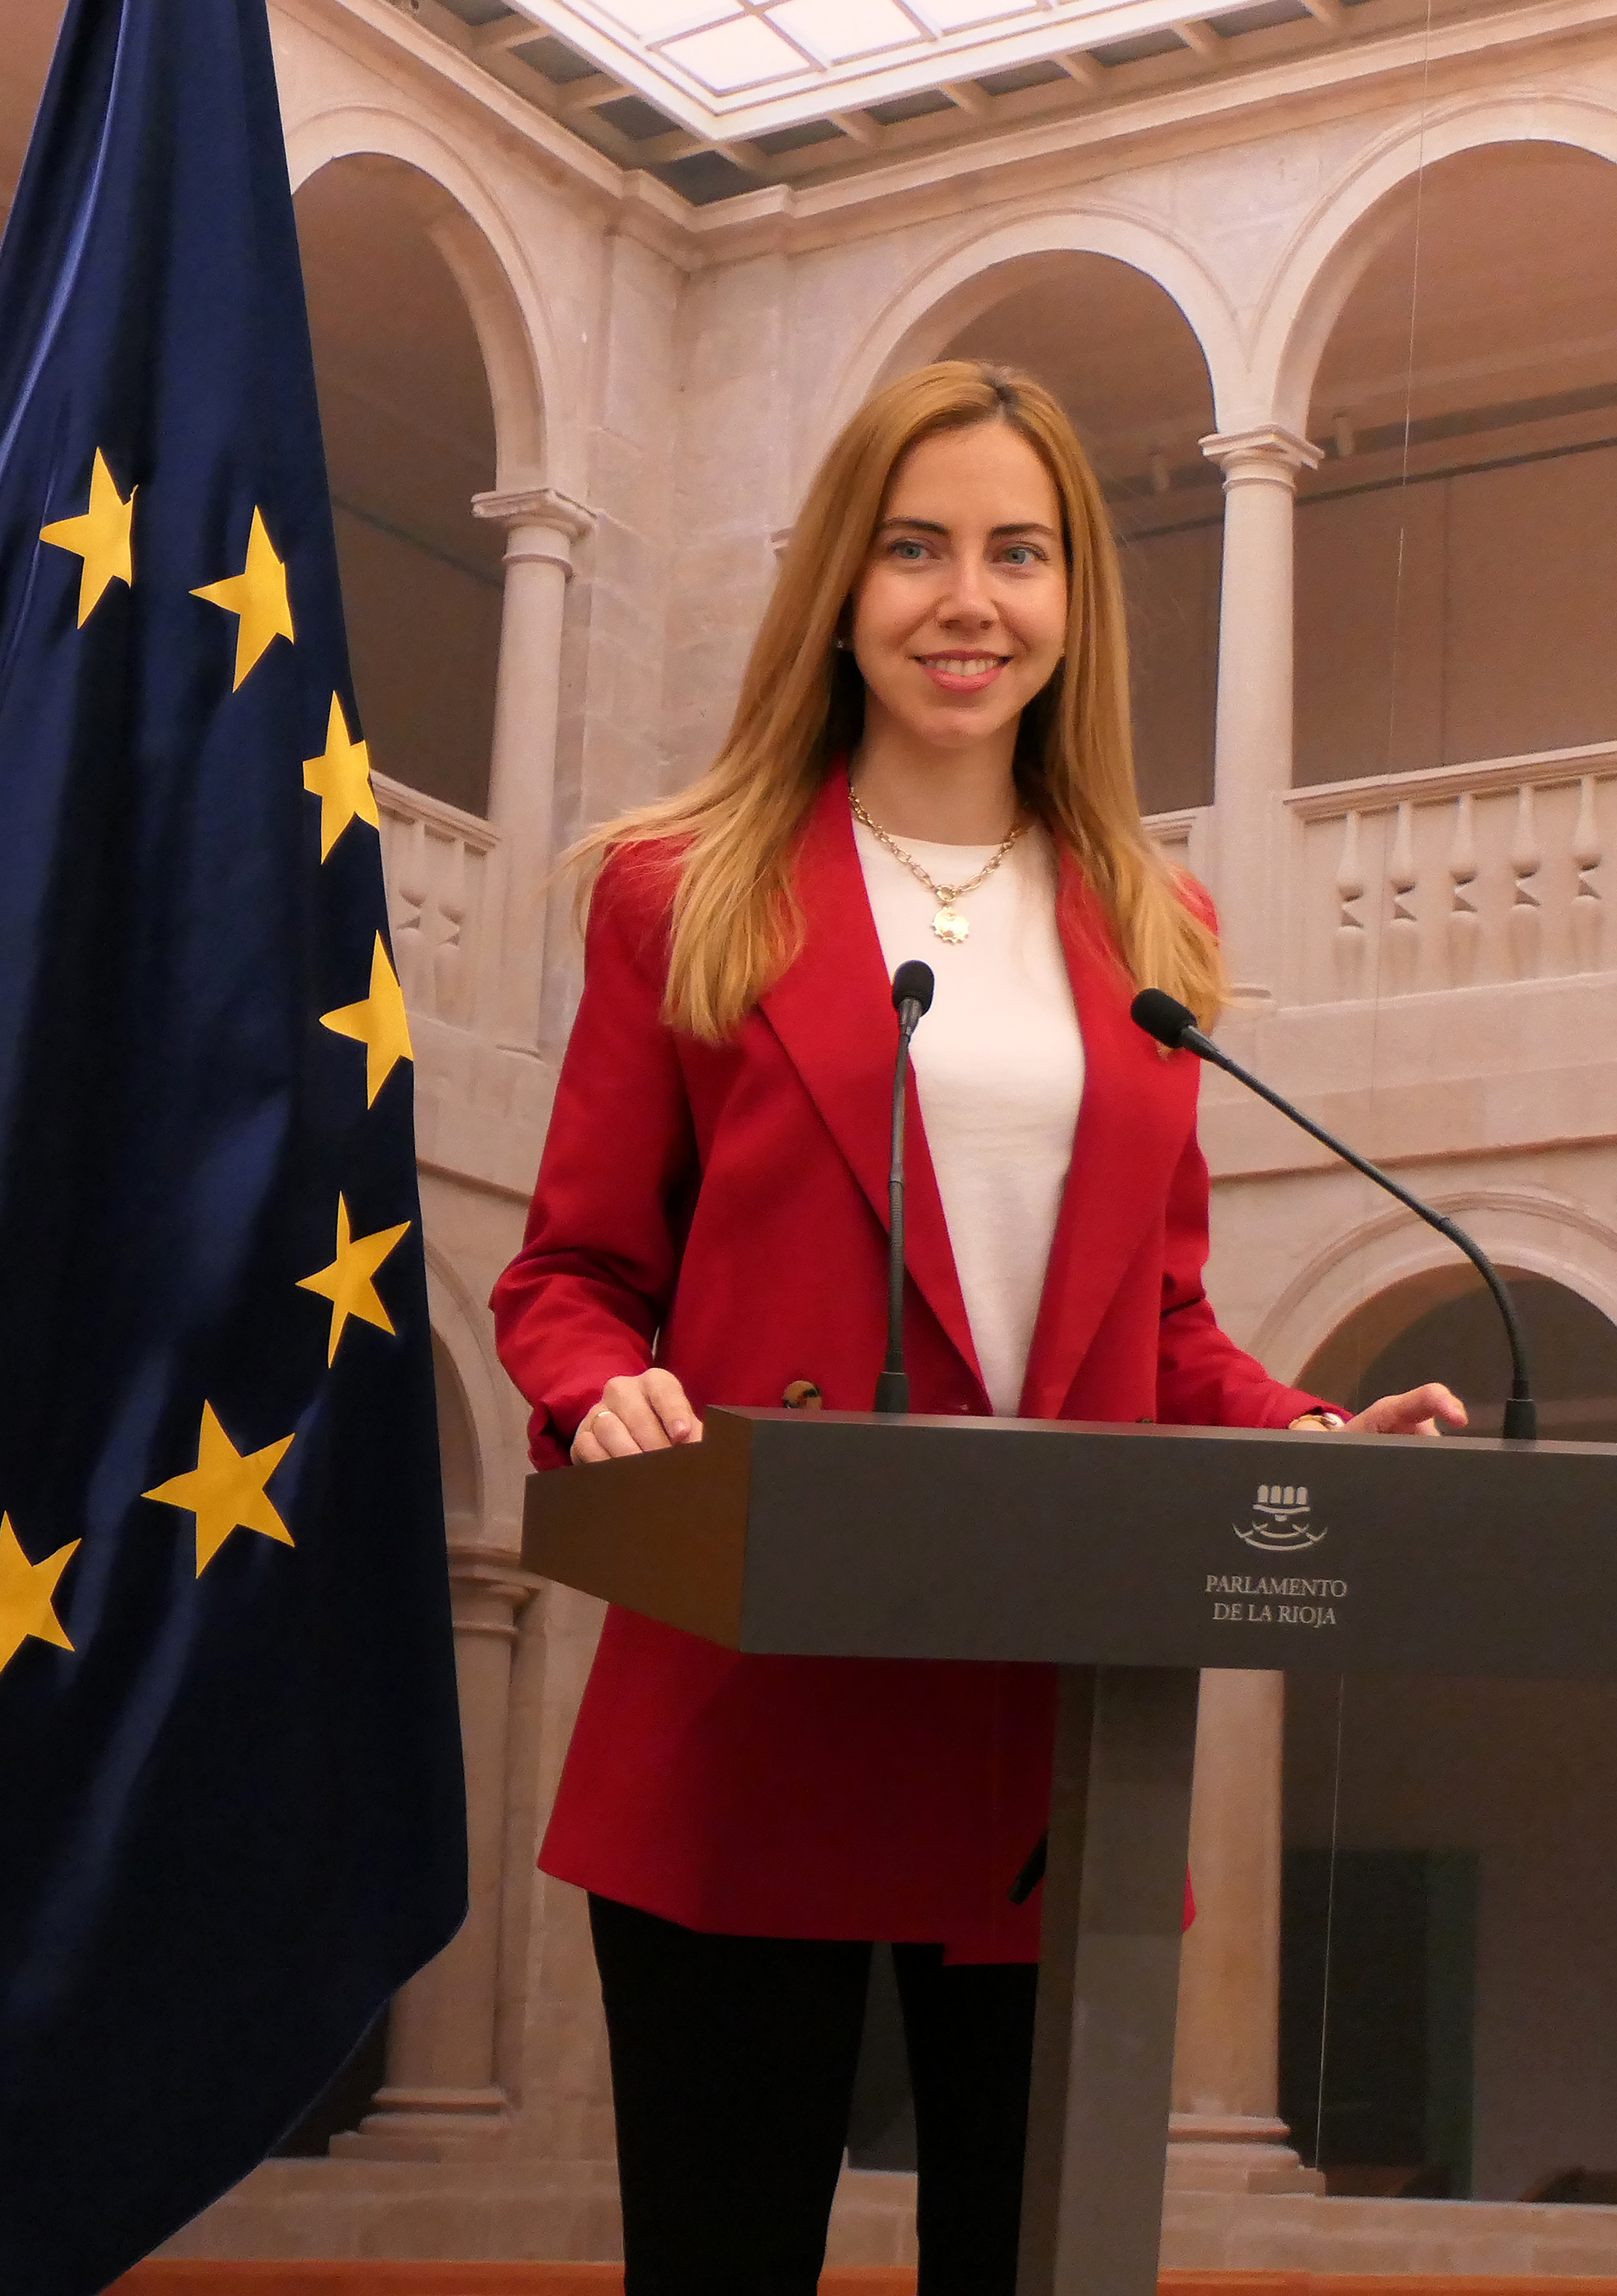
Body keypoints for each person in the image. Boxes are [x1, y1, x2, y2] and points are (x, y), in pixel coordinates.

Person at [490, 361, 1463, 2295]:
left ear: (1074, 604)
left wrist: (1298, 1431)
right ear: (842, 588)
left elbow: (1157, 1324)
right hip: (751, 1684)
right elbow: (572, 1275)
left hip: (1051, 1723)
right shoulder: (681, 896)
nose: (969, 599)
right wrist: (601, 1391)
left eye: (1020, 555)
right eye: (917, 547)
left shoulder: (1148, 925)